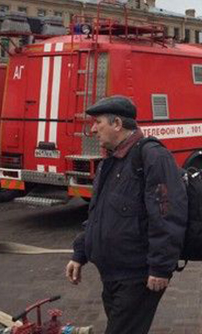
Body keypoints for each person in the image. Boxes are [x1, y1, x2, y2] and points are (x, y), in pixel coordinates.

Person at [66, 96, 188, 334]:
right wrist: (80, 252)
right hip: (112, 274)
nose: (92, 129)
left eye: (97, 122)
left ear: (117, 124)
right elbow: (99, 214)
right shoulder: (109, 162)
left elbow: (167, 214)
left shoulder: (152, 156)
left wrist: (161, 267)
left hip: (137, 275)